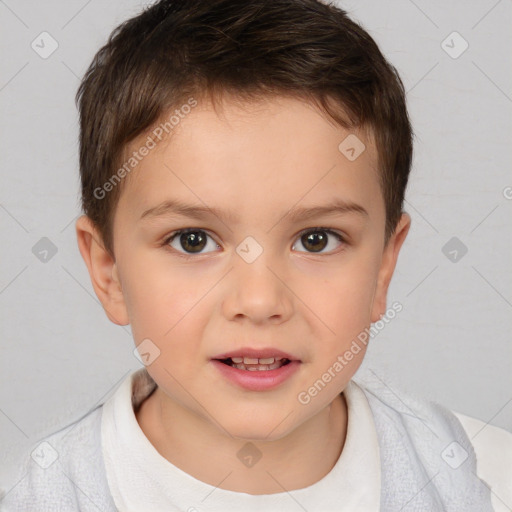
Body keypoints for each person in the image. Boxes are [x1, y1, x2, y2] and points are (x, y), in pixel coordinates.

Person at [1, 0, 511, 510]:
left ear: (383, 268)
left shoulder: (473, 477)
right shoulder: (45, 494)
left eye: (317, 239)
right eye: (192, 240)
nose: (260, 300)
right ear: (108, 271)